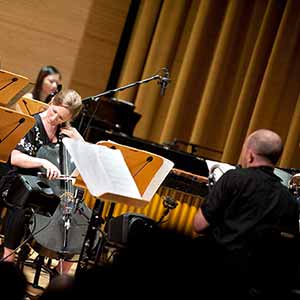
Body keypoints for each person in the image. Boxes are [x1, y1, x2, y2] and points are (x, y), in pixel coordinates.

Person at [192, 129, 300, 297]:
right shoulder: (289, 200)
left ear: (250, 156)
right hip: (258, 280)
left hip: (217, 271)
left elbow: (198, 225)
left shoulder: (233, 178)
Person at [0, 89, 83, 275]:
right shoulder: (32, 124)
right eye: (54, 111)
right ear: (52, 101)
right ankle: (8, 259)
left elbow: (83, 164)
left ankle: (60, 274)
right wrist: (43, 162)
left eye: (61, 118)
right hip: (20, 180)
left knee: (80, 217)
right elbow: (14, 157)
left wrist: (80, 142)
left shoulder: (66, 133)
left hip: (50, 188)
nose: (55, 119)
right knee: (24, 200)